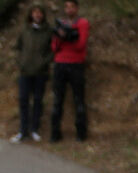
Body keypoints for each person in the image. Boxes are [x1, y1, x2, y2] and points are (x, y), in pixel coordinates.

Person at [12, 4, 54, 143]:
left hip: (40, 72)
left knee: (37, 100)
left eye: (39, 12)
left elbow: (53, 50)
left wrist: (44, 62)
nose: (37, 15)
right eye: (35, 12)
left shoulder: (48, 31)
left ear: (43, 15)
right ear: (31, 14)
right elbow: (18, 48)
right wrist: (20, 62)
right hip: (25, 71)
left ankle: (34, 129)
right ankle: (22, 131)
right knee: (23, 100)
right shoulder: (25, 30)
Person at [50, 0, 90, 142]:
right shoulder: (61, 23)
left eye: (72, 6)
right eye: (67, 7)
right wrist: (63, 36)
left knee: (79, 99)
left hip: (76, 65)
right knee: (57, 100)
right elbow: (54, 47)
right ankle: (55, 133)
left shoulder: (82, 23)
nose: (69, 9)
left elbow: (81, 45)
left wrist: (66, 36)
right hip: (60, 63)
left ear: (77, 8)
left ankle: (81, 133)